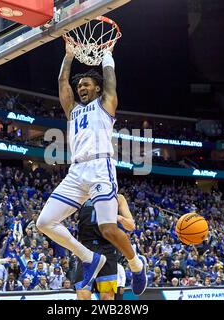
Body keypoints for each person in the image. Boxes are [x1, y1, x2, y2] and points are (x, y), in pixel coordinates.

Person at [36, 44, 147, 295]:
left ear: (97, 88)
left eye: (86, 84)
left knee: (108, 229)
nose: (81, 88)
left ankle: (136, 265)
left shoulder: (105, 104)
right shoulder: (72, 110)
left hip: (100, 166)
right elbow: (62, 81)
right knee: (44, 222)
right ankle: (89, 258)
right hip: (76, 171)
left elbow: (110, 81)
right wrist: (68, 55)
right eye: (80, 86)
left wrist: (107, 55)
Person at [75, 194, 134, 300]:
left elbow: (131, 225)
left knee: (107, 297)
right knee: (83, 295)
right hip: (86, 248)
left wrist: (118, 218)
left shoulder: (118, 198)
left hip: (107, 247)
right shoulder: (81, 194)